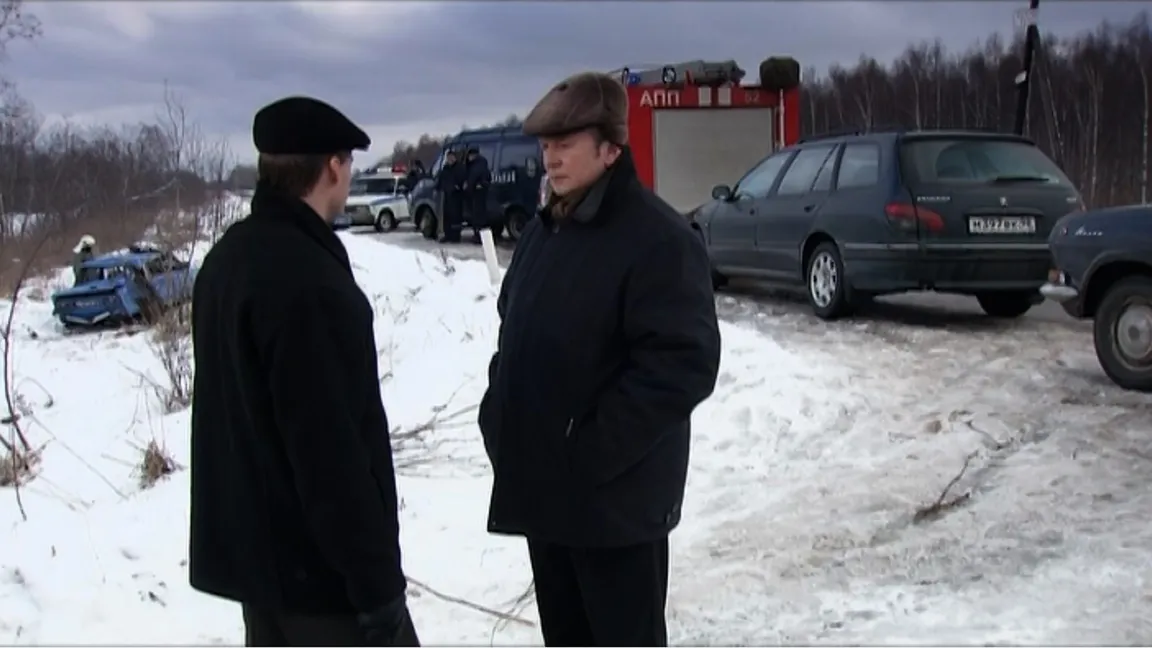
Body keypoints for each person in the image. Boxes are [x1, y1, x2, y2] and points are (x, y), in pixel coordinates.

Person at [477, 72, 721, 646]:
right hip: (547, 498)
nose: (551, 158)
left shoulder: (658, 238)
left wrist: (588, 449)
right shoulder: (546, 232)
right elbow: (513, 330)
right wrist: (499, 413)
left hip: (615, 508)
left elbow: (682, 364)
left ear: (610, 148)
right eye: (546, 145)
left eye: (565, 144)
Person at [188, 95, 419, 648]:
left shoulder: (228, 260)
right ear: (333, 167)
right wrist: (377, 587)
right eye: (348, 163)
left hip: (262, 573)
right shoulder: (309, 284)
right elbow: (330, 453)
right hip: (322, 584)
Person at [463, 147, 491, 244]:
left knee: (478, 215)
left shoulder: (478, 165)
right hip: (475, 193)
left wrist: (471, 186)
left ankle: (479, 236)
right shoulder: (476, 164)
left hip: (478, 193)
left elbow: (476, 177)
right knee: (477, 215)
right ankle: (478, 234)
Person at [435, 149, 464, 243]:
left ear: (455, 158)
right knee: (447, 216)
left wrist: (457, 186)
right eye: (448, 158)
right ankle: (447, 235)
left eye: (451, 157)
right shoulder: (445, 169)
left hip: (456, 196)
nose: (450, 159)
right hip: (446, 195)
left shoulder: (459, 168)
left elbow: (462, 180)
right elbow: (440, 180)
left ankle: (455, 236)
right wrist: (438, 187)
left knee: (455, 217)